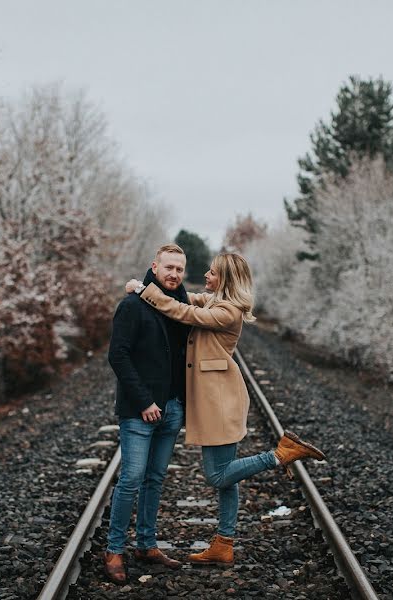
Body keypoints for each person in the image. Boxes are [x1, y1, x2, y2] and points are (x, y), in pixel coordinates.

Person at [125, 252, 326, 566]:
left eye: (213, 272)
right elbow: (187, 297)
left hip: (219, 402)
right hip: (216, 398)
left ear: (226, 280)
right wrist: (160, 284)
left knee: (218, 476)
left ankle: (281, 454)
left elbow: (182, 311)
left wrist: (145, 292)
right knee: (227, 478)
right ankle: (223, 544)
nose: (206, 274)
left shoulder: (227, 312)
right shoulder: (216, 302)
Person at [103, 243, 191, 583]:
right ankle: (114, 550)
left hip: (171, 409)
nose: (174, 274)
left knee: (155, 479)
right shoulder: (131, 307)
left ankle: (146, 544)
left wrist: (178, 404)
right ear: (154, 267)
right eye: (168, 267)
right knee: (131, 480)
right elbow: (118, 356)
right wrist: (144, 401)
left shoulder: (180, 307)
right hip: (140, 411)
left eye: (179, 269)